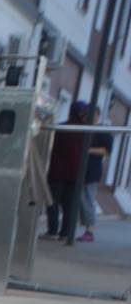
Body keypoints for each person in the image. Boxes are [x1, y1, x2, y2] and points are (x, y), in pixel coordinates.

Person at [45, 101, 88, 240]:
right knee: (69, 204)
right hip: (75, 173)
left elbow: (51, 147)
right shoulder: (86, 132)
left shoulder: (61, 128)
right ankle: (65, 233)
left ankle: (52, 230)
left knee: (53, 201)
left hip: (57, 171)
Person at [78, 106, 112, 242]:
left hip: (92, 172)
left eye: (89, 114)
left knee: (87, 200)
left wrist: (88, 150)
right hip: (78, 170)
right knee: (80, 200)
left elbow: (106, 151)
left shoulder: (103, 131)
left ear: (97, 115)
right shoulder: (82, 129)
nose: (86, 117)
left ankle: (89, 230)